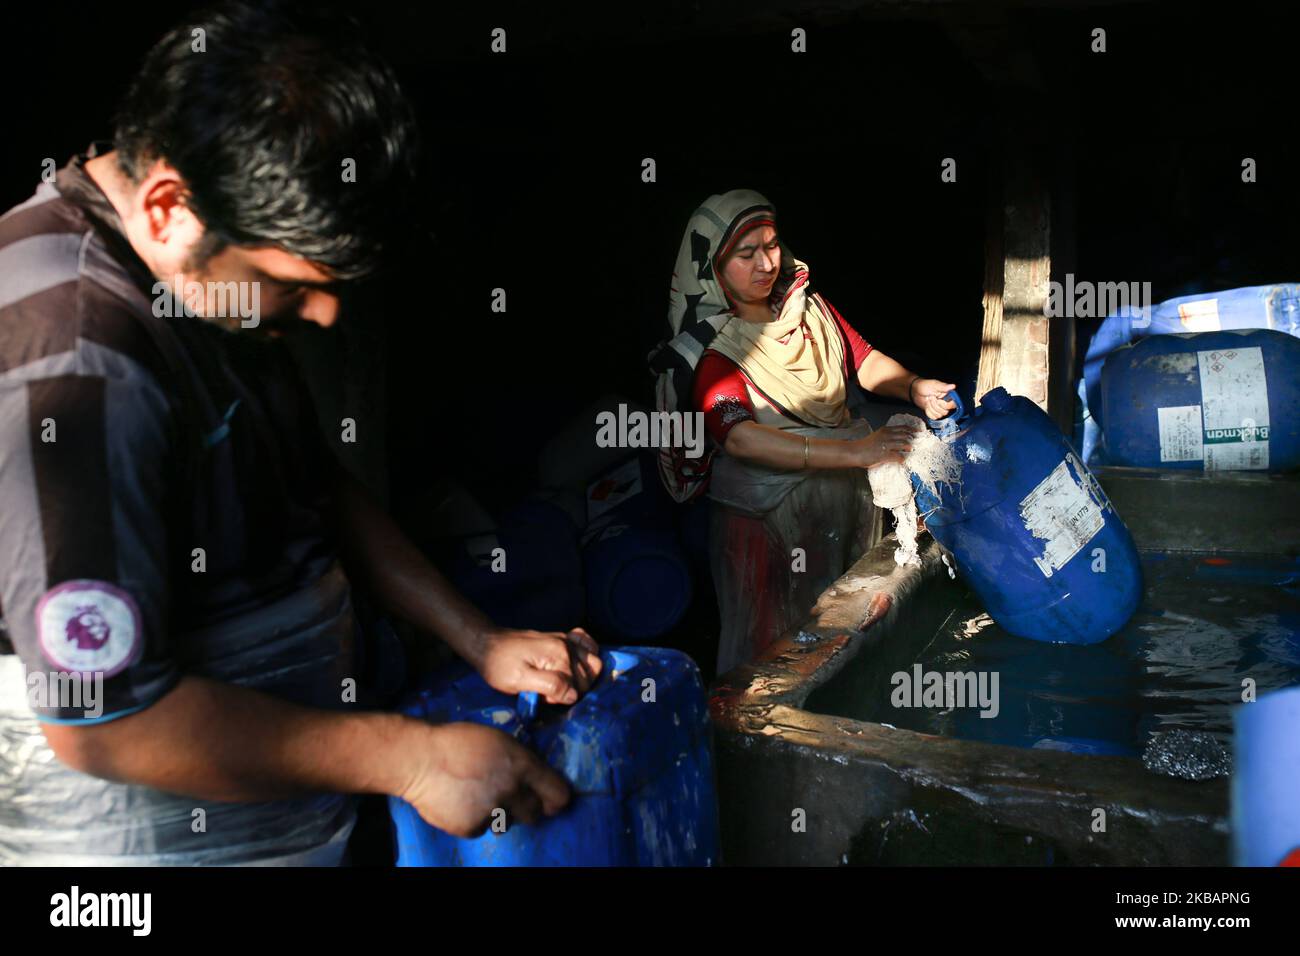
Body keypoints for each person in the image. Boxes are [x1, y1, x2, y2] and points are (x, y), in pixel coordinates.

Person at [0, 1, 600, 866]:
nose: (323, 313)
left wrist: (480, 639)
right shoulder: (75, 359)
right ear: (169, 208)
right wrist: (411, 757)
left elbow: (306, 478)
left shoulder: (200, 273)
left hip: (285, 824)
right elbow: (105, 722)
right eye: (296, 284)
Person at [650, 189, 956, 674]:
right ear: (711, 266)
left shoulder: (807, 307)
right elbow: (740, 437)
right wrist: (858, 452)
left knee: (850, 629)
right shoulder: (715, 349)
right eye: (746, 254)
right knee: (778, 650)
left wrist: (914, 387)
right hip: (768, 526)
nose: (767, 263)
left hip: (839, 507)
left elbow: (863, 358)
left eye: (772, 245)